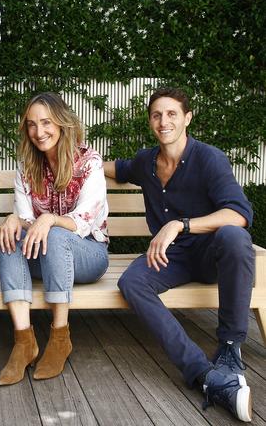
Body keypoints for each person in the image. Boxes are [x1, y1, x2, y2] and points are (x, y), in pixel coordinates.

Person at [103, 87, 255, 422]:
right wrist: (82, 162)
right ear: (150, 121)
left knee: (234, 237)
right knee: (132, 282)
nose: (164, 121)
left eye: (172, 113)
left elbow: (239, 214)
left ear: (187, 118)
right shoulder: (146, 162)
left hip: (209, 253)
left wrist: (179, 225)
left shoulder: (209, 158)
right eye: (157, 114)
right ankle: (205, 375)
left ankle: (230, 348)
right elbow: (118, 167)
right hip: (171, 258)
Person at [0, 93, 109, 386]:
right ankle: (24, 341)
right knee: (9, 234)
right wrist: (13, 220)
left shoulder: (89, 162)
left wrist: (50, 219)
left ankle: (60, 337)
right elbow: (25, 221)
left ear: (62, 123)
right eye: (32, 124)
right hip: (44, 257)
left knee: (57, 233)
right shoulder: (26, 168)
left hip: (89, 256)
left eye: (46, 122)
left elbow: (84, 220)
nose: (39, 131)